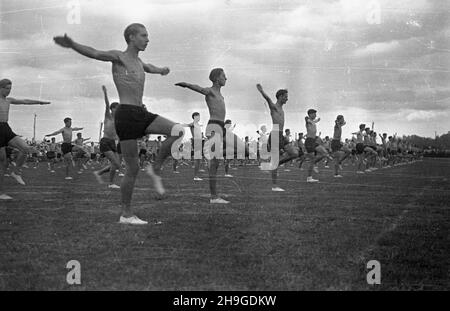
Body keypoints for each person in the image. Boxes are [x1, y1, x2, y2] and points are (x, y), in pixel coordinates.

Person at [54, 23, 182, 224]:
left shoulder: (140, 63)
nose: (147, 39)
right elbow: (95, 52)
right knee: (132, 169)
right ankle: (126, 214)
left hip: (142, 112)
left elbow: (152, 68)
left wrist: (162, 70)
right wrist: (72, 44)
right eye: (144, 35)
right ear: (131, 37)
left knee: (178, 130)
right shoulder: (119, 57)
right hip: (126, 115)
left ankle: (156, 167)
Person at [175, 68, 247, 203]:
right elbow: (199, 88)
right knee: (215, 165)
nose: (226, 78)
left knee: (243, 149)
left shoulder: (221, 95)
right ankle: (214, 197)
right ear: (216, 79)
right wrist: (186, 84)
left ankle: (212, 155)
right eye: (224, 76)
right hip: (214, 126)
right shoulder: (211, 91)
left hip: (222, 127)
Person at [0, 78, 50, 200]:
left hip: (6, 128)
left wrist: (39, 102)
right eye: (7, 88)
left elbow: (24, 101)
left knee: (26, 148)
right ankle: (1, 193)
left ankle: (16, 172)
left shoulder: (9, 100)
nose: (9, 91)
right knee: (2, 162)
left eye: (10, 89)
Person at [256, 84, 298, 191]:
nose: (287, 99)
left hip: (281, 135)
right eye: (285, 96)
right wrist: (261, 91)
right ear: (280, 97)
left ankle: (273, 165)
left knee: (294, 153)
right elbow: (268, 99)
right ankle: (274, 186)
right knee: (275, 160)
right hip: (274, 135)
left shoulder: (282, 109)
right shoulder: (274, 107)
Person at [93, 86, 121, 189]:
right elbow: (107, 104)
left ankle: (99, 173)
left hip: (112, 142)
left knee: (117, 164)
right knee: (115, 163)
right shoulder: (108, 116)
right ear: (112, 109)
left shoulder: (117, 120)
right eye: (116, 109)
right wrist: (105, 93)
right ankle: (110, 183)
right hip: (105, 141)